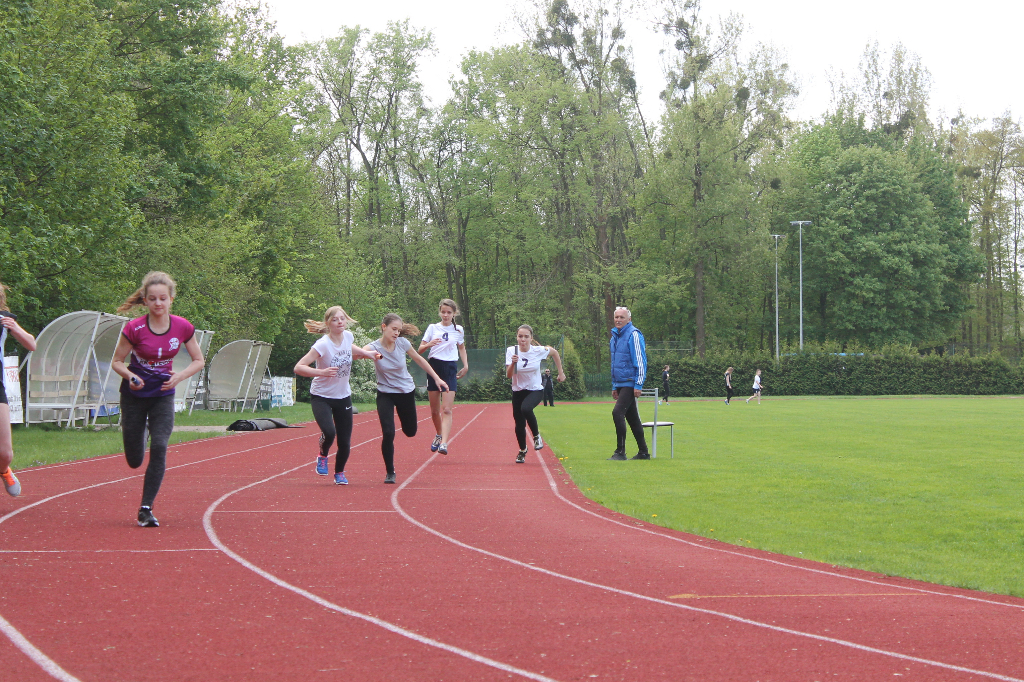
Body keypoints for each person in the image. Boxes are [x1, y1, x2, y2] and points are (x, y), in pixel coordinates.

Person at [110, 272, 205, 527]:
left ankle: (146, 508)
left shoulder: (183, 327)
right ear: (145, 300)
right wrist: (130, 376)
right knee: (134, 460)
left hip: (163, 394)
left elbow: (199, 360)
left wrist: (179, 377)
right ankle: (137, 433)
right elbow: (117, 361)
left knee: (160, 446)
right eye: (152, 299)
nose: (158, 303)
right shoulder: (134, 328)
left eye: (163, 298)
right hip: (135, 396)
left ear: (171, 299)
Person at [294, 306, 381, 486]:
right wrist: (322, 372)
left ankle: (339, 472)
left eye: (342, 318)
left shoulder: (348, 336)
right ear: (328, 323)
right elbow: (299, 367)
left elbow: (349, 346)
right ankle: (323, 454)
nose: (340, 322)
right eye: (335, 319)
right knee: (329, 432)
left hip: (343, 396)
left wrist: (366, 353)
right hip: (321, 396)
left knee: (345, 440)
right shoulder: (322, 344)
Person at [365, 314, 449, 484]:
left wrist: (437, 378)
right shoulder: (373, 347)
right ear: (384, 327)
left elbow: (419, 360)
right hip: (385, 393)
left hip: (405, 392)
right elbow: (355, 353)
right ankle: (390, 472)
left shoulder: (402, 343)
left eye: (399, 330)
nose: (396, 333)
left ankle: (407, 427)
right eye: (393, 329)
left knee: (410, 432)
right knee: (388, 432)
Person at [505, 326, 565, 463]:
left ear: (531, 338)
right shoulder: (511, 351)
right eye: (520, 336)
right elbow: (509, 376)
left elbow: (555, 353)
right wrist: (513, 363)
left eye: (526, 336)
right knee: (519, 424)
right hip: (518, 390)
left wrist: (561, 372)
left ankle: (537, 436)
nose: (523, 339)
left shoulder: (538, 351)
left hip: (535, 389)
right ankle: (522, 450)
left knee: (526, 409)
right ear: (517, 337)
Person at [417, 299, 468, 455]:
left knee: (446, 409)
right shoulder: (433, 328)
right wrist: (429, 344)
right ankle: (439, 434)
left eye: (449, 312)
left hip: (450, 368)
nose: (446, 315)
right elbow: (419, 350)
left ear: (454, 314)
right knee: (434, 411)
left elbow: (462, 348)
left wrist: (465, 365)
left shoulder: (458, 330)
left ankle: (444, 443)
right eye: (443, 312)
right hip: (434, 367)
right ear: (439, 312)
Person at [0, 282, 37, 498]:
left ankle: (4, 470)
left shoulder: (5, 320)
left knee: (5, 453)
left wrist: (14, 327)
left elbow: (31, 344)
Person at [607, 307, 650, 461]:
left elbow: (641, 361)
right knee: (632, 418)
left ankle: (620, 452)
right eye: (616, 317)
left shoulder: (634, 335)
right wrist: (614, 385)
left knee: (617, 412)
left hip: (630, 382)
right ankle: (643, 452)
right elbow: (613, 364)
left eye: (622, 317)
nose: (618, 320)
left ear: (629, 319)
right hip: (620, 382)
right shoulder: (614, 338)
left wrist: (638, 384)